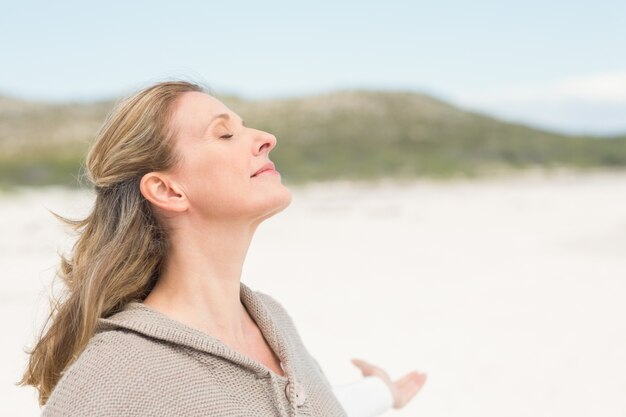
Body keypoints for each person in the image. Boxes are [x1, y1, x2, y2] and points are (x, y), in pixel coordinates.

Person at [18, 80, 427, 416]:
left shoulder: (272, 321)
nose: (266, 138)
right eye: (225, 133)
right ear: (167, 189)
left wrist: (379, 394)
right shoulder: (112, 377)